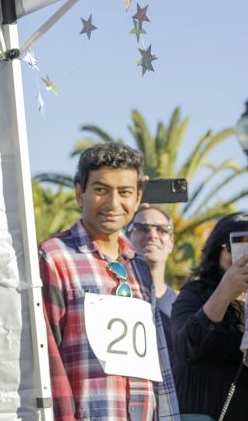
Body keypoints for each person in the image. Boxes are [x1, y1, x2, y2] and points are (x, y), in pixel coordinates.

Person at [39, 142, 179, 421]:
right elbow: (46, 356)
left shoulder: (139, 266)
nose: (114, 204)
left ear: (138, 198)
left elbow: (158, 359)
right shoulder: (53, 258)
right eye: (101, 190)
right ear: (80, 193)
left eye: (125, 192)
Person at [171, 212, 248, 418]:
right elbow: (185, 348)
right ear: (219, 251)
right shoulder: (195, 293)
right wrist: (224, 292)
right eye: (238, 245)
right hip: (200, 412)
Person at [128, 205, 177, 353]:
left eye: (162, 229)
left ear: (171, 244)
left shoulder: (183, 304)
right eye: (142, 228)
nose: (152, 235)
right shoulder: (112, 297)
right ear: (125, 239)